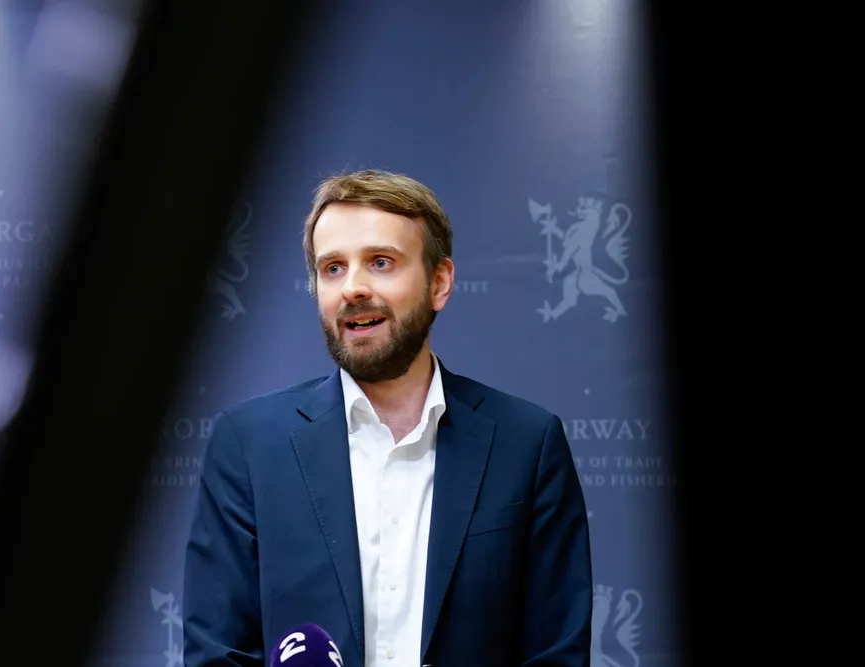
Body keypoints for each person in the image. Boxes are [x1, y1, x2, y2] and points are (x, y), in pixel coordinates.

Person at [183, 169, 593, 667]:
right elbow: (218, 653)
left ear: (439, 283)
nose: (353, 288)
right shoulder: (248, 444)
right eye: (333, 268)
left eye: (380, 262)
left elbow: (556, 654)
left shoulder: (527, 444)